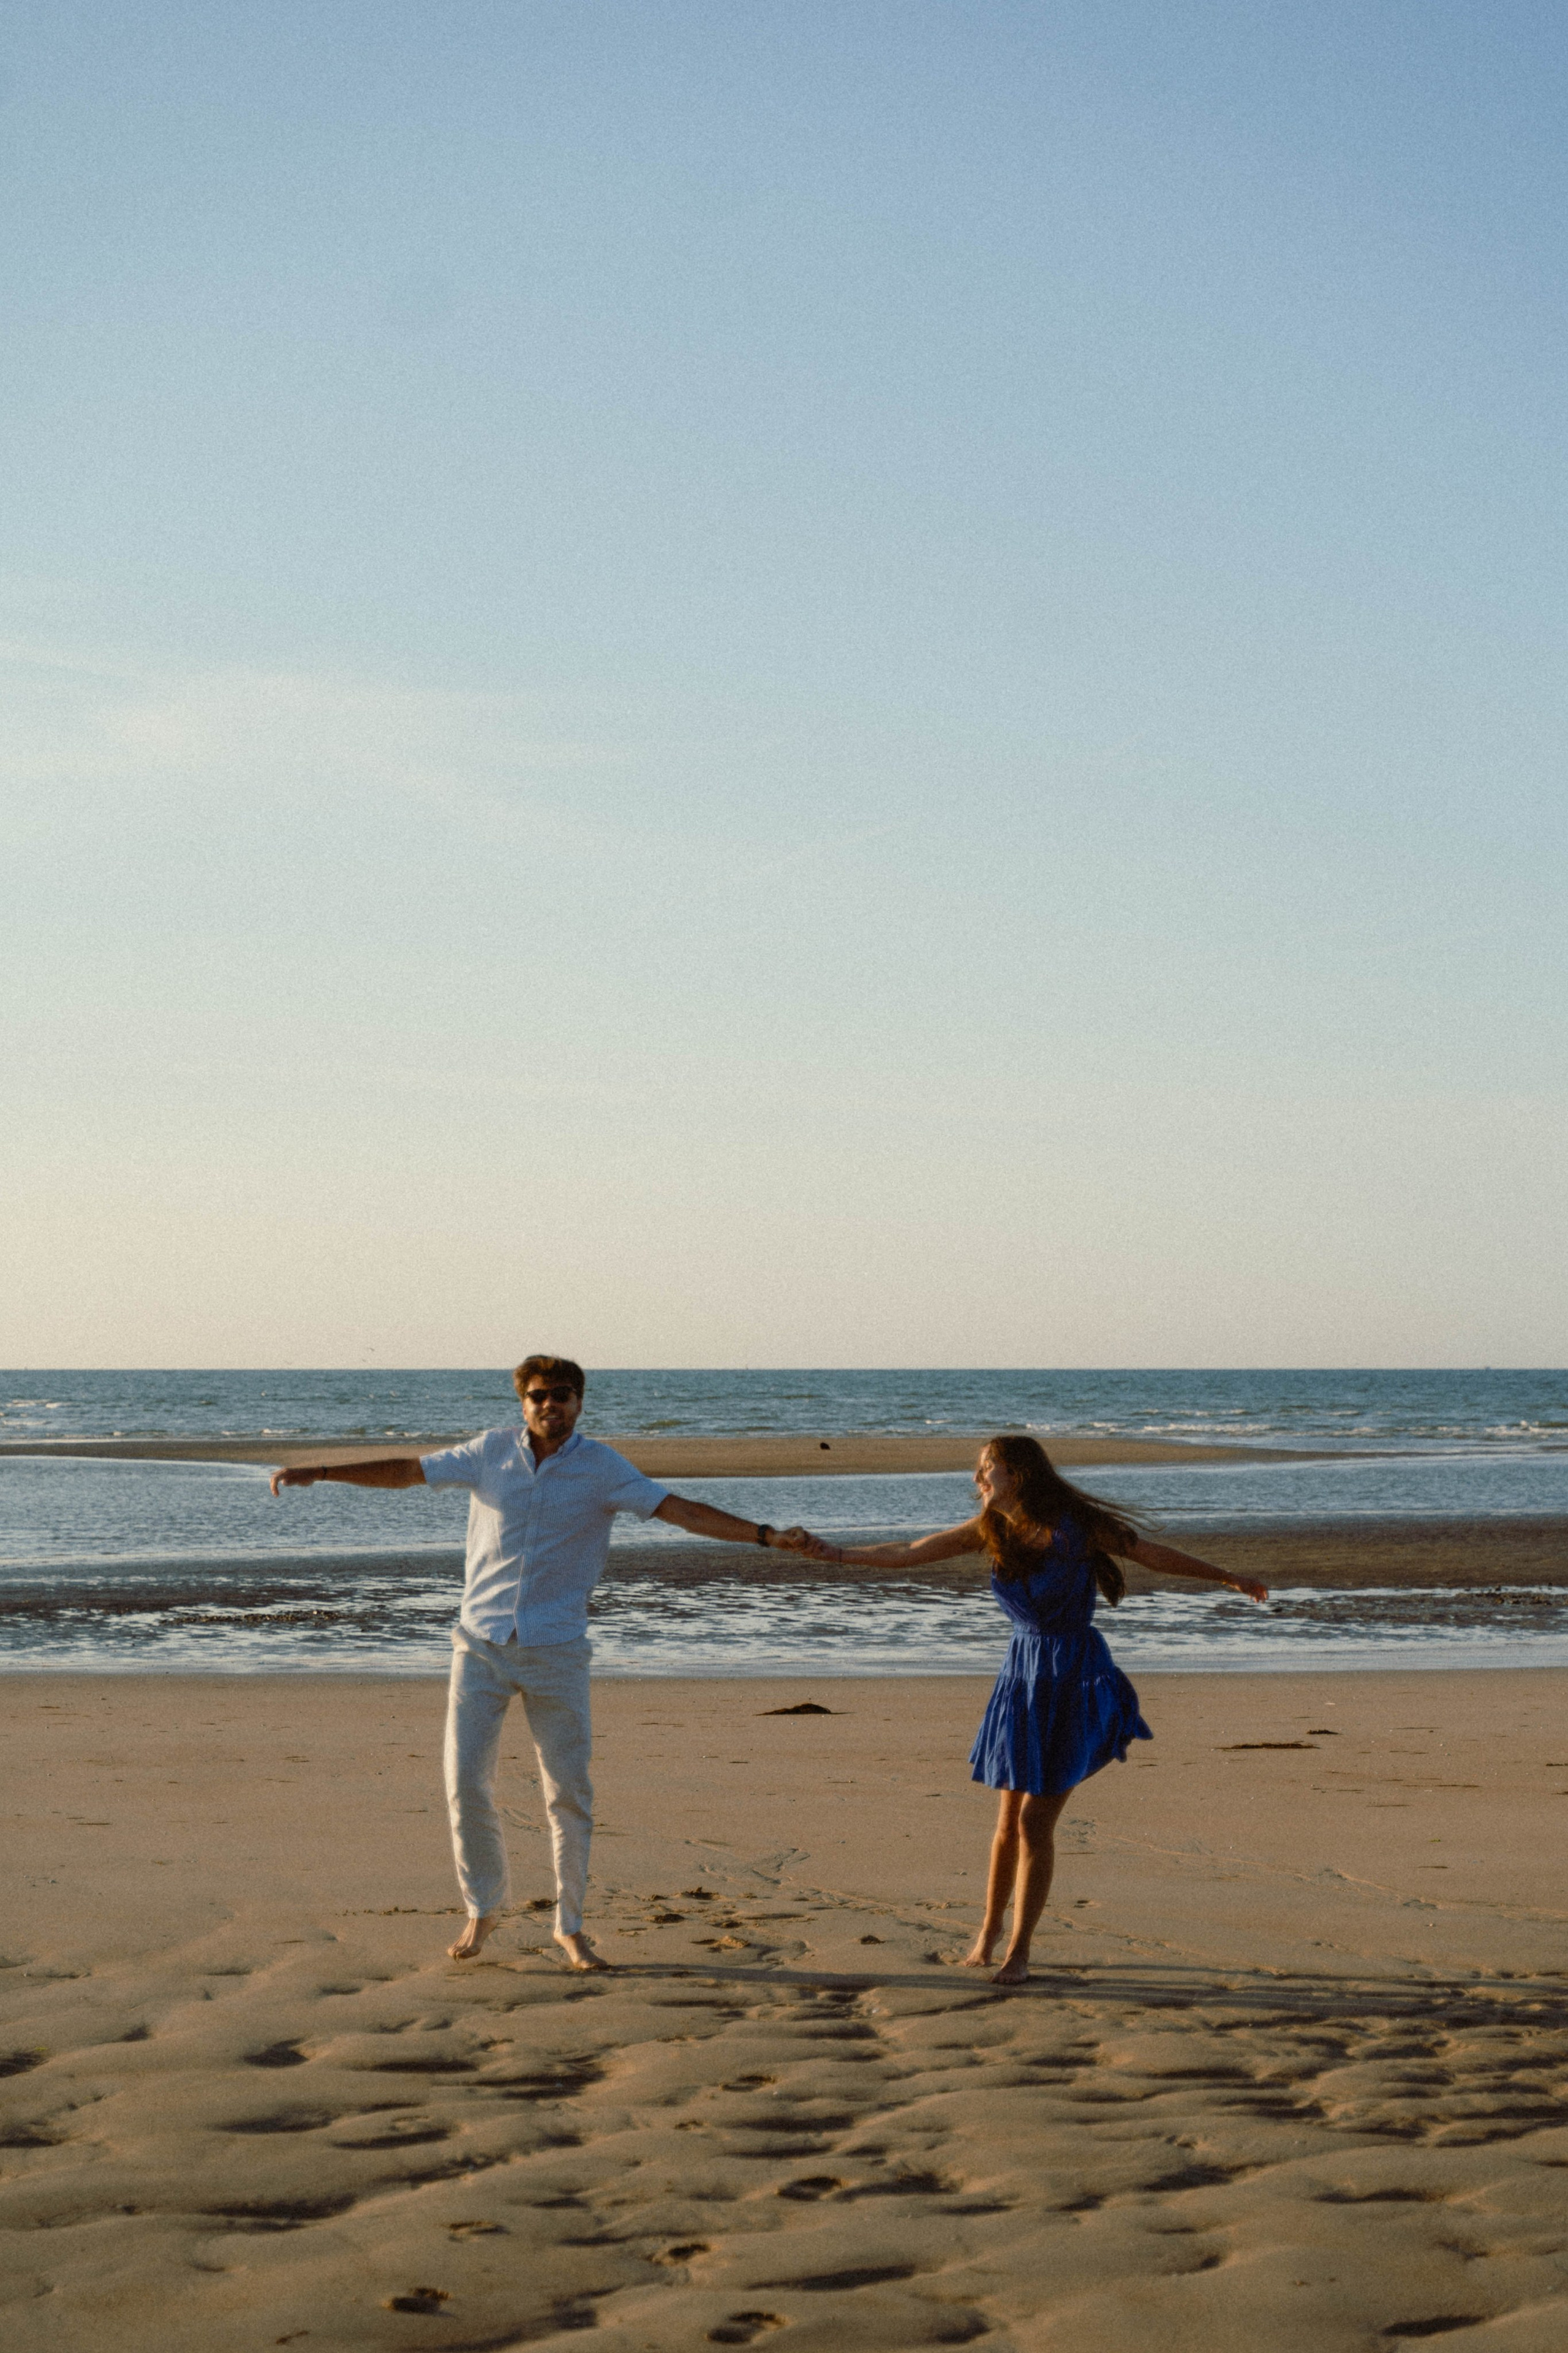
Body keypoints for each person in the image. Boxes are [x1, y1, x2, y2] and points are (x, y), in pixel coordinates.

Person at [270, 1355, 812, 1971]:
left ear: (580, 1402)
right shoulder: (488, 1452)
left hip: (557, 1650)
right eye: (537, 1396)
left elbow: (678, 1510)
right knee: (464, 1783)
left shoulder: (602, 1467)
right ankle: (482, 1907)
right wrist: (320, 1471)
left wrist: (765, 1535)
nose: (549, 1404)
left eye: (561, 1395)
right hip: (478, 1647)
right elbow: (406, 1470)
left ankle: (570, 1926)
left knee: (568, 1793)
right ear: (521, 1404)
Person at [809, 1434, 1268, 1985]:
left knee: (1034, 1821)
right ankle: (987, 1934)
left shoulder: (1077, 1525)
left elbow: (1151, 1553)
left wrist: (1227, 1576)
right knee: (1007, 1825)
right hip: (1022, 1675)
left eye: (987, 1469)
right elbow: (909, 1551)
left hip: (1074, 1675)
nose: (978, 1480)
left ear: (1018, 1474)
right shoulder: (992, 1530)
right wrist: (836, 1553)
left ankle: (1019, 1951)